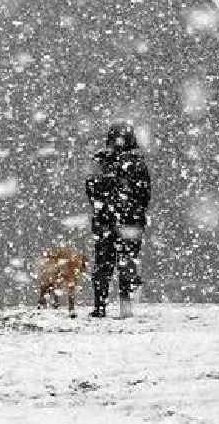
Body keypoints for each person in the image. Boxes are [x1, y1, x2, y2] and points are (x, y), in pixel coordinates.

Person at [87, 123, 151, 318]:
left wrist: (104, 208)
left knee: (103, 264)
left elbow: (91, 190)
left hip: (105, 220)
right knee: (127, 262)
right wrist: (132, 210)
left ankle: (100, 306)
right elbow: (144, 193)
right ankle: (125, 306)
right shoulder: (137, 163)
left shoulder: (101, 162)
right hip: (130, 222)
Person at [85, 149, 119, 318]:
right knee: (119, 264)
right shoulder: (119, 179)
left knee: (102, 266)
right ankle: (122, 303)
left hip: (103, 226)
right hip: (116, 224)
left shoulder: (94, 180)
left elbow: (93, 198)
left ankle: (100, 305)